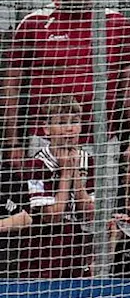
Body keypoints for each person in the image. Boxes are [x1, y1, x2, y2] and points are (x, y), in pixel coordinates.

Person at [2, 0, 130, 169]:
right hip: (46, 142)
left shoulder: (116, 23)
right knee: (46, 203)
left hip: (101, 142)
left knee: (100, 204)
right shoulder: (34, 23)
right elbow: (12, 88)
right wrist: (12, 144)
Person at [11, 95, 96, 278]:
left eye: (74, 122)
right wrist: (66, 174)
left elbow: (89, 211)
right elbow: (53, 216)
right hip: (43, 245)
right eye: (62, 122)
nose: (69, 128)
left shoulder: (87, 159)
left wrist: (76, 175)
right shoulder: (36, 164)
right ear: (47, 128)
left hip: (76, 245)